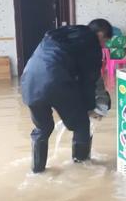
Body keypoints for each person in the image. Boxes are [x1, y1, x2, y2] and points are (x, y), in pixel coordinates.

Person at [21, 19, 113, 173]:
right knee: (81, 125)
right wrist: (90, 108)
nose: (103, 46)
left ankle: (37, 171)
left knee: (42, 128)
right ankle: (83, 168)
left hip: (29, 82)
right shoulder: (91, 43)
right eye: (104, 41)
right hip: (55, 81)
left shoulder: (61, 33)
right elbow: (89, 80)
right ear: (100, 34)